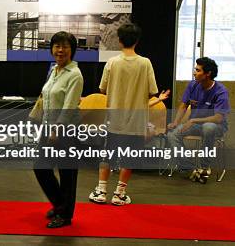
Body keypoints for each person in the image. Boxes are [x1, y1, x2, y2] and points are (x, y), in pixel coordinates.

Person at [88, 23, 158, 206]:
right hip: (136, 121)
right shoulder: (145, 63)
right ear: (137, 41)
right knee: (130, 157)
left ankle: (101, 190)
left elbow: (102, 89)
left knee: (107, 155)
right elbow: (153, 91)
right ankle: (119, 193)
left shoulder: (112, 62)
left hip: (114, 120)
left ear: (119, 40)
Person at [33, 32, 83, 228]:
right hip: (48, 127)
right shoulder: (54, 70)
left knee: (67, 174)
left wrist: (57, 130)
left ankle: (65, 215)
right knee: (40, 167)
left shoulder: (75, 75)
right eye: (56, 46)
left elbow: (69, 107)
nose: (60, 50)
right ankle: (60, 204)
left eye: (65, 47)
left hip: (65, 131)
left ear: (72, 50)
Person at [167, 57, 230, 179]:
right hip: (195, 125)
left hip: (216, 126)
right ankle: (191, 168)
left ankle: (204, 166)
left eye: (198, 70)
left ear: (208, 74)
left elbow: (218, 118)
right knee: (173, 134)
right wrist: (175, 122)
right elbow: (184, 105)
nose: (194, 72)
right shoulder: (193, 85)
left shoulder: (221, 91)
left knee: (208, 127)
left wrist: (194, 120)